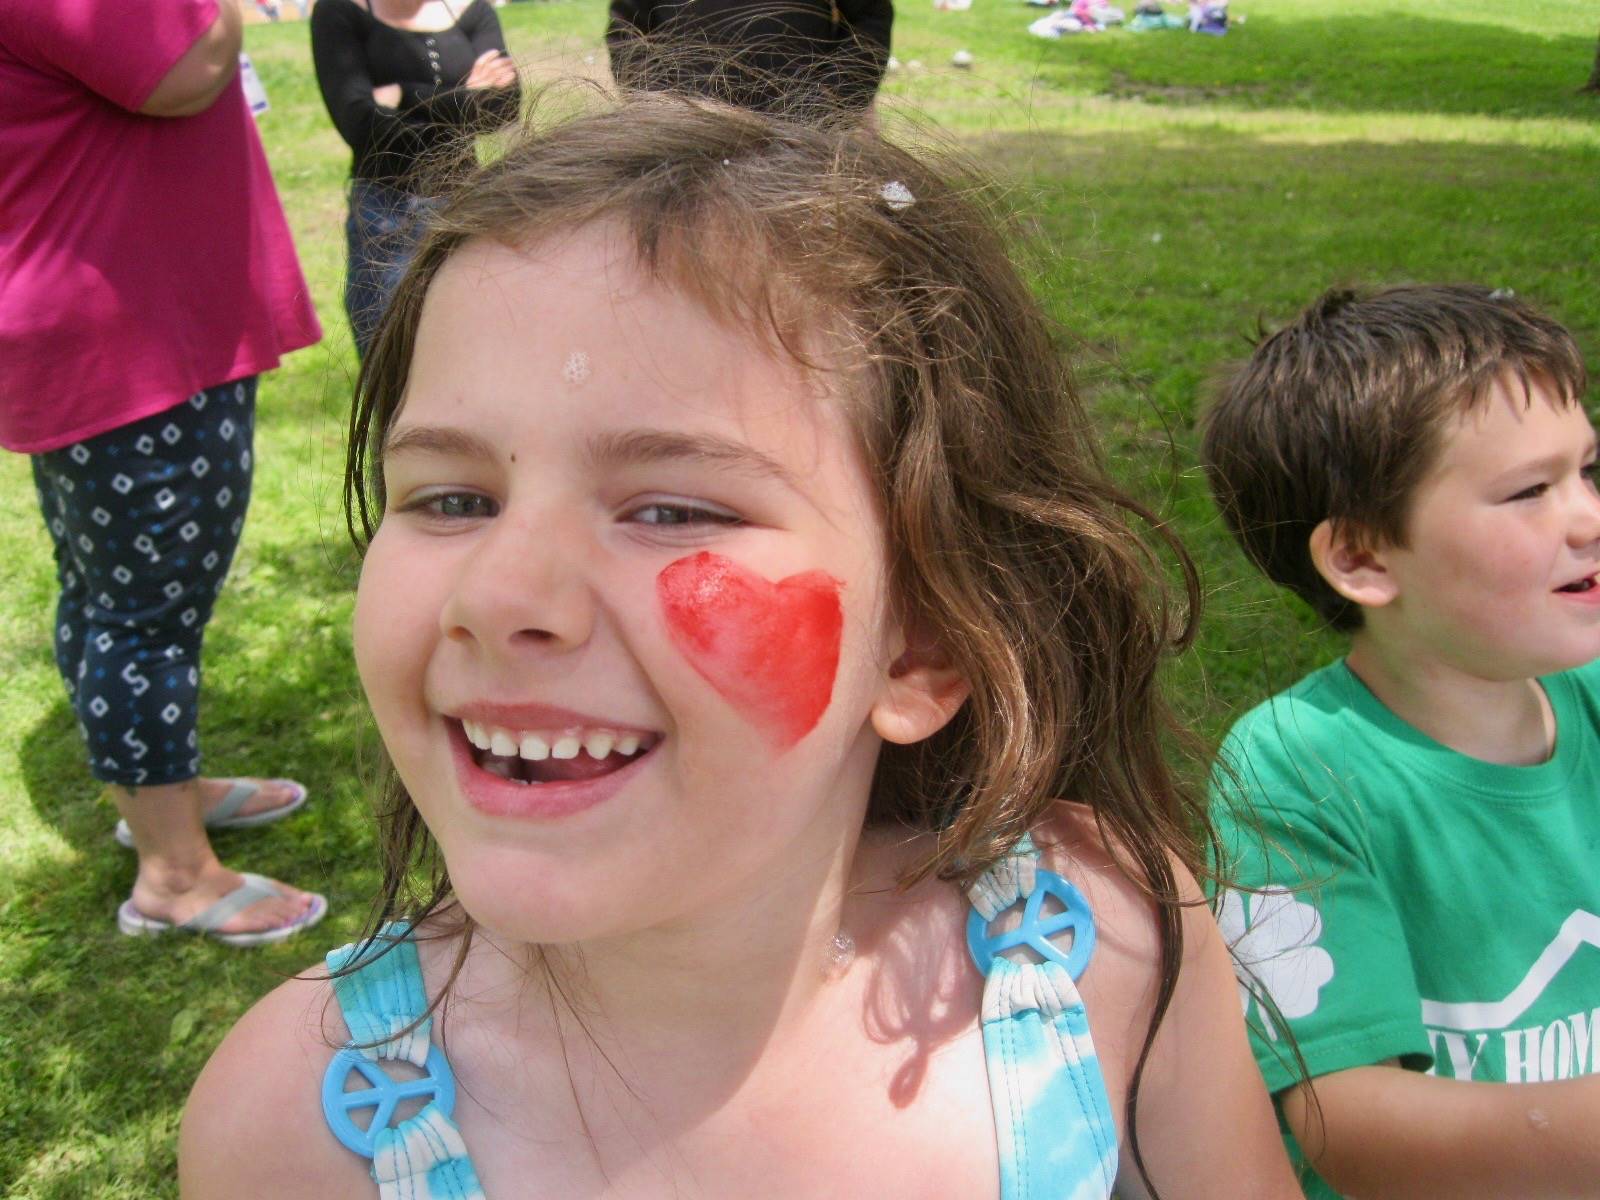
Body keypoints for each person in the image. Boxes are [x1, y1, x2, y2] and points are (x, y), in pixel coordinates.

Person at [179, 97, 1299, 1197]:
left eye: (671, 510)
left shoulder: (1104, 937)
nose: (501, 591)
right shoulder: (292, 1132)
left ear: (922, 650)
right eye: (453, 498)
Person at [1200, 285, 1600, 1198]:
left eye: (1588, 468)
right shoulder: (1295, 772)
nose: (1587, 515)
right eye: (1530, 491)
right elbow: (1349, 1121)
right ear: (1365, 560)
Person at [0, 0, 327, 944]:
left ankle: (160, 796)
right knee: (146, 620)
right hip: (131, 338)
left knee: (106, 595)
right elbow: (187, 63)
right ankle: (175, 873)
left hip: (100, 327)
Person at [310, 0, 520, 358]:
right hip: (386, 217)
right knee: (393, 366)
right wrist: (464, 98)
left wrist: (403, 95)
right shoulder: (340, 11)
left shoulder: (472, 10)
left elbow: (504, 107)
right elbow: (362, 126)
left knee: (481, 360)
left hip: (468, 211)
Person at [607, 0, 891, 119]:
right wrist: (663, 107)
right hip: (682, 133)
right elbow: (627, 31)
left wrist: (827, 106)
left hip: (803, 139)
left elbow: (869, 21)